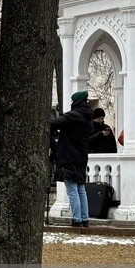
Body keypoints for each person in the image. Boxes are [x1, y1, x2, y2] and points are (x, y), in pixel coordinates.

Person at [52, 90, 94, 227]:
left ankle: (76, 219)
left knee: (72, 190)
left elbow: (54, 123)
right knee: (81, 189)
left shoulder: (73, 116)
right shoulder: (87, 117)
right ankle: (84, 218)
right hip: (81, 157)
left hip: (69, 157)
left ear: (75, 102)